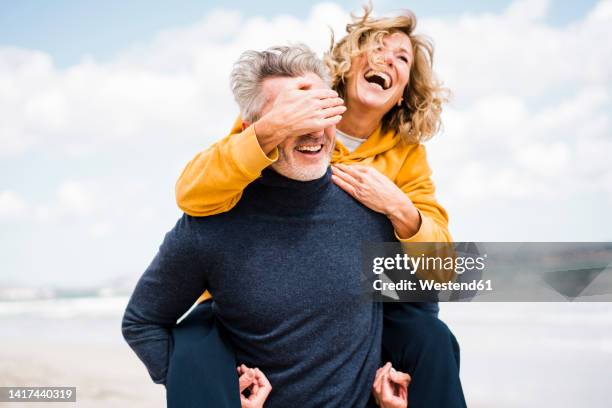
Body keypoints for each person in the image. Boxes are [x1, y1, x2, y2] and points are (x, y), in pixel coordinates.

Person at [172, 6, 465, 407]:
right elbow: (192, 194)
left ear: (403, 93)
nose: (388, 61)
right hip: (255, 291)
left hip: (357, 305)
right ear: (347, 63)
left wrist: (400, 208)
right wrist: (271, 130)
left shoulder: (406, 156)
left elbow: (442, 269)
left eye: (402, 60)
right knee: (193, 344)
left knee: (433, 339)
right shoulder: (282, 117)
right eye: (376, 49)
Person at [123, 44, 412, 408]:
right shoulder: (212, 223)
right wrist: (217, 393)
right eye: (292, 117)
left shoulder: (371, 207)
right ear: (250, 129)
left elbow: (414, 318)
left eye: (320, 112)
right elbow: (142, 322)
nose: (313, 130)